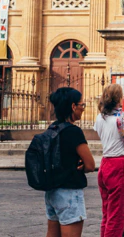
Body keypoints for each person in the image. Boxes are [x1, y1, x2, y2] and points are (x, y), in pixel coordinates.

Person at [45, 87, 95, 237]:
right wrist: (82, 166)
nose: (83, 109)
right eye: (82, 105)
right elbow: (90, 165)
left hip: (52, 191)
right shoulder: (73, 131)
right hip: (69, 192)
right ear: (73, 106)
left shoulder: (52, 128)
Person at [94, 83, 124, 237]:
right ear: (118, 99)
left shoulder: (100, 117)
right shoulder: (121, 118)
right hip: (119, 164)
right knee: (117, 216)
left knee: (107, 212)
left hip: (105, 163)